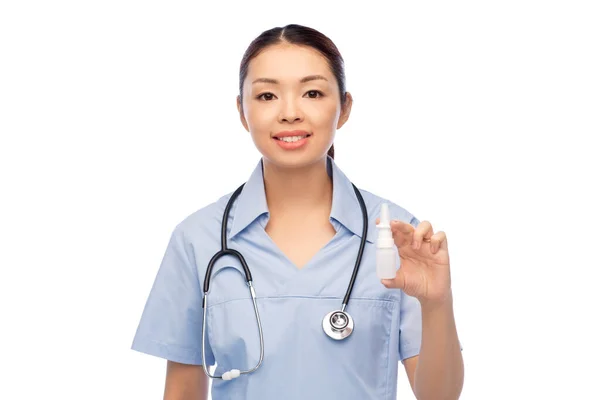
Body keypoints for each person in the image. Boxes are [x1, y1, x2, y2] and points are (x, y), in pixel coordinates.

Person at [131, 24, 464, 400]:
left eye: (312, 92)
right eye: (268, 95)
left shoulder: (398, 236)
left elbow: (440, 397)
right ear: (242, 112)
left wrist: (437, 304)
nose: (290, 113)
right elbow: (182, 392)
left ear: (344, 108)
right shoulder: (198, 238)